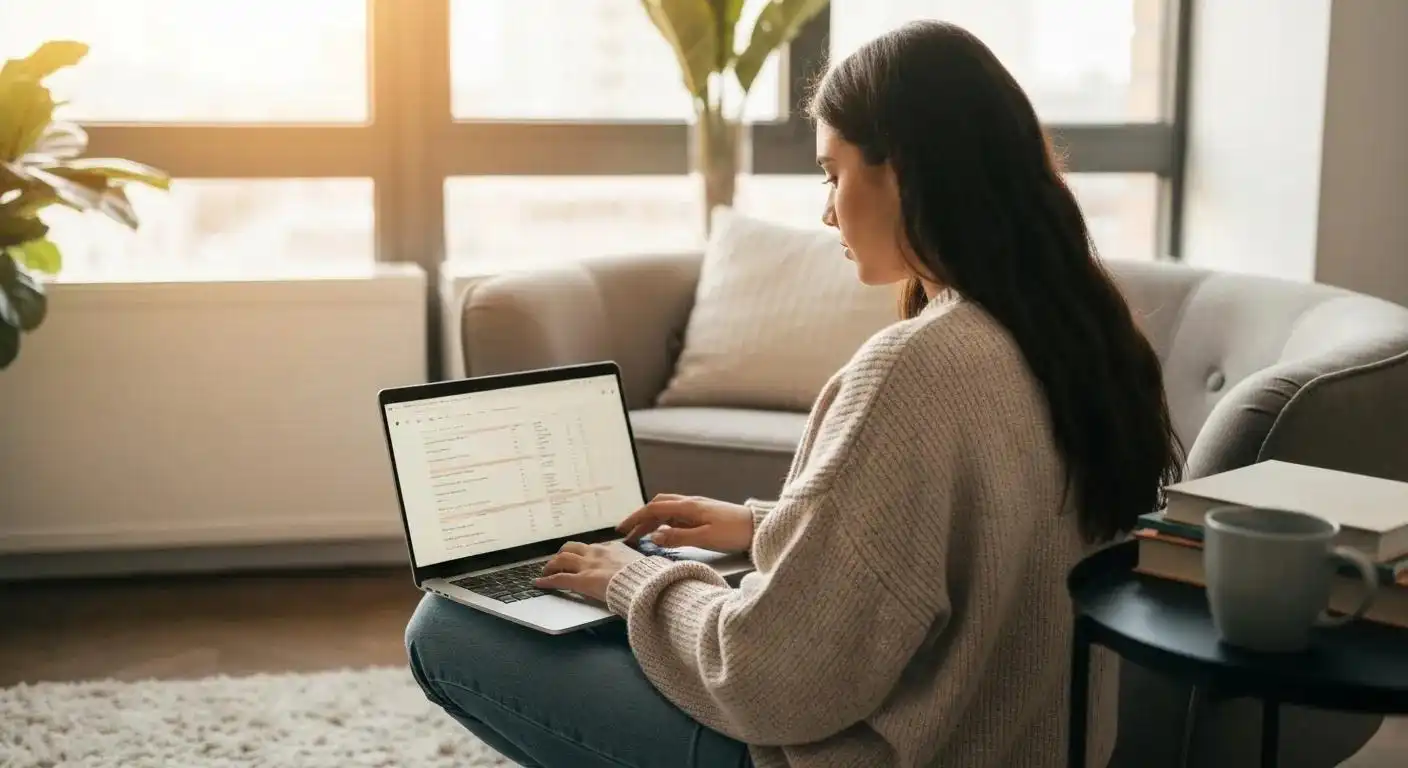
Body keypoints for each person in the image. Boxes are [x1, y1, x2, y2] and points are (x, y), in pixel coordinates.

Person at [405, 19, 1184, 768]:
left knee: (446, 627)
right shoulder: (1084, 339)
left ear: (905, 169)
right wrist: (762, 529)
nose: (826, 206)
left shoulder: (919, 369)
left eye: (833, 171)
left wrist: (633, 578)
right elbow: (971, 548)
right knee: (612, 608)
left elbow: (767, 682)